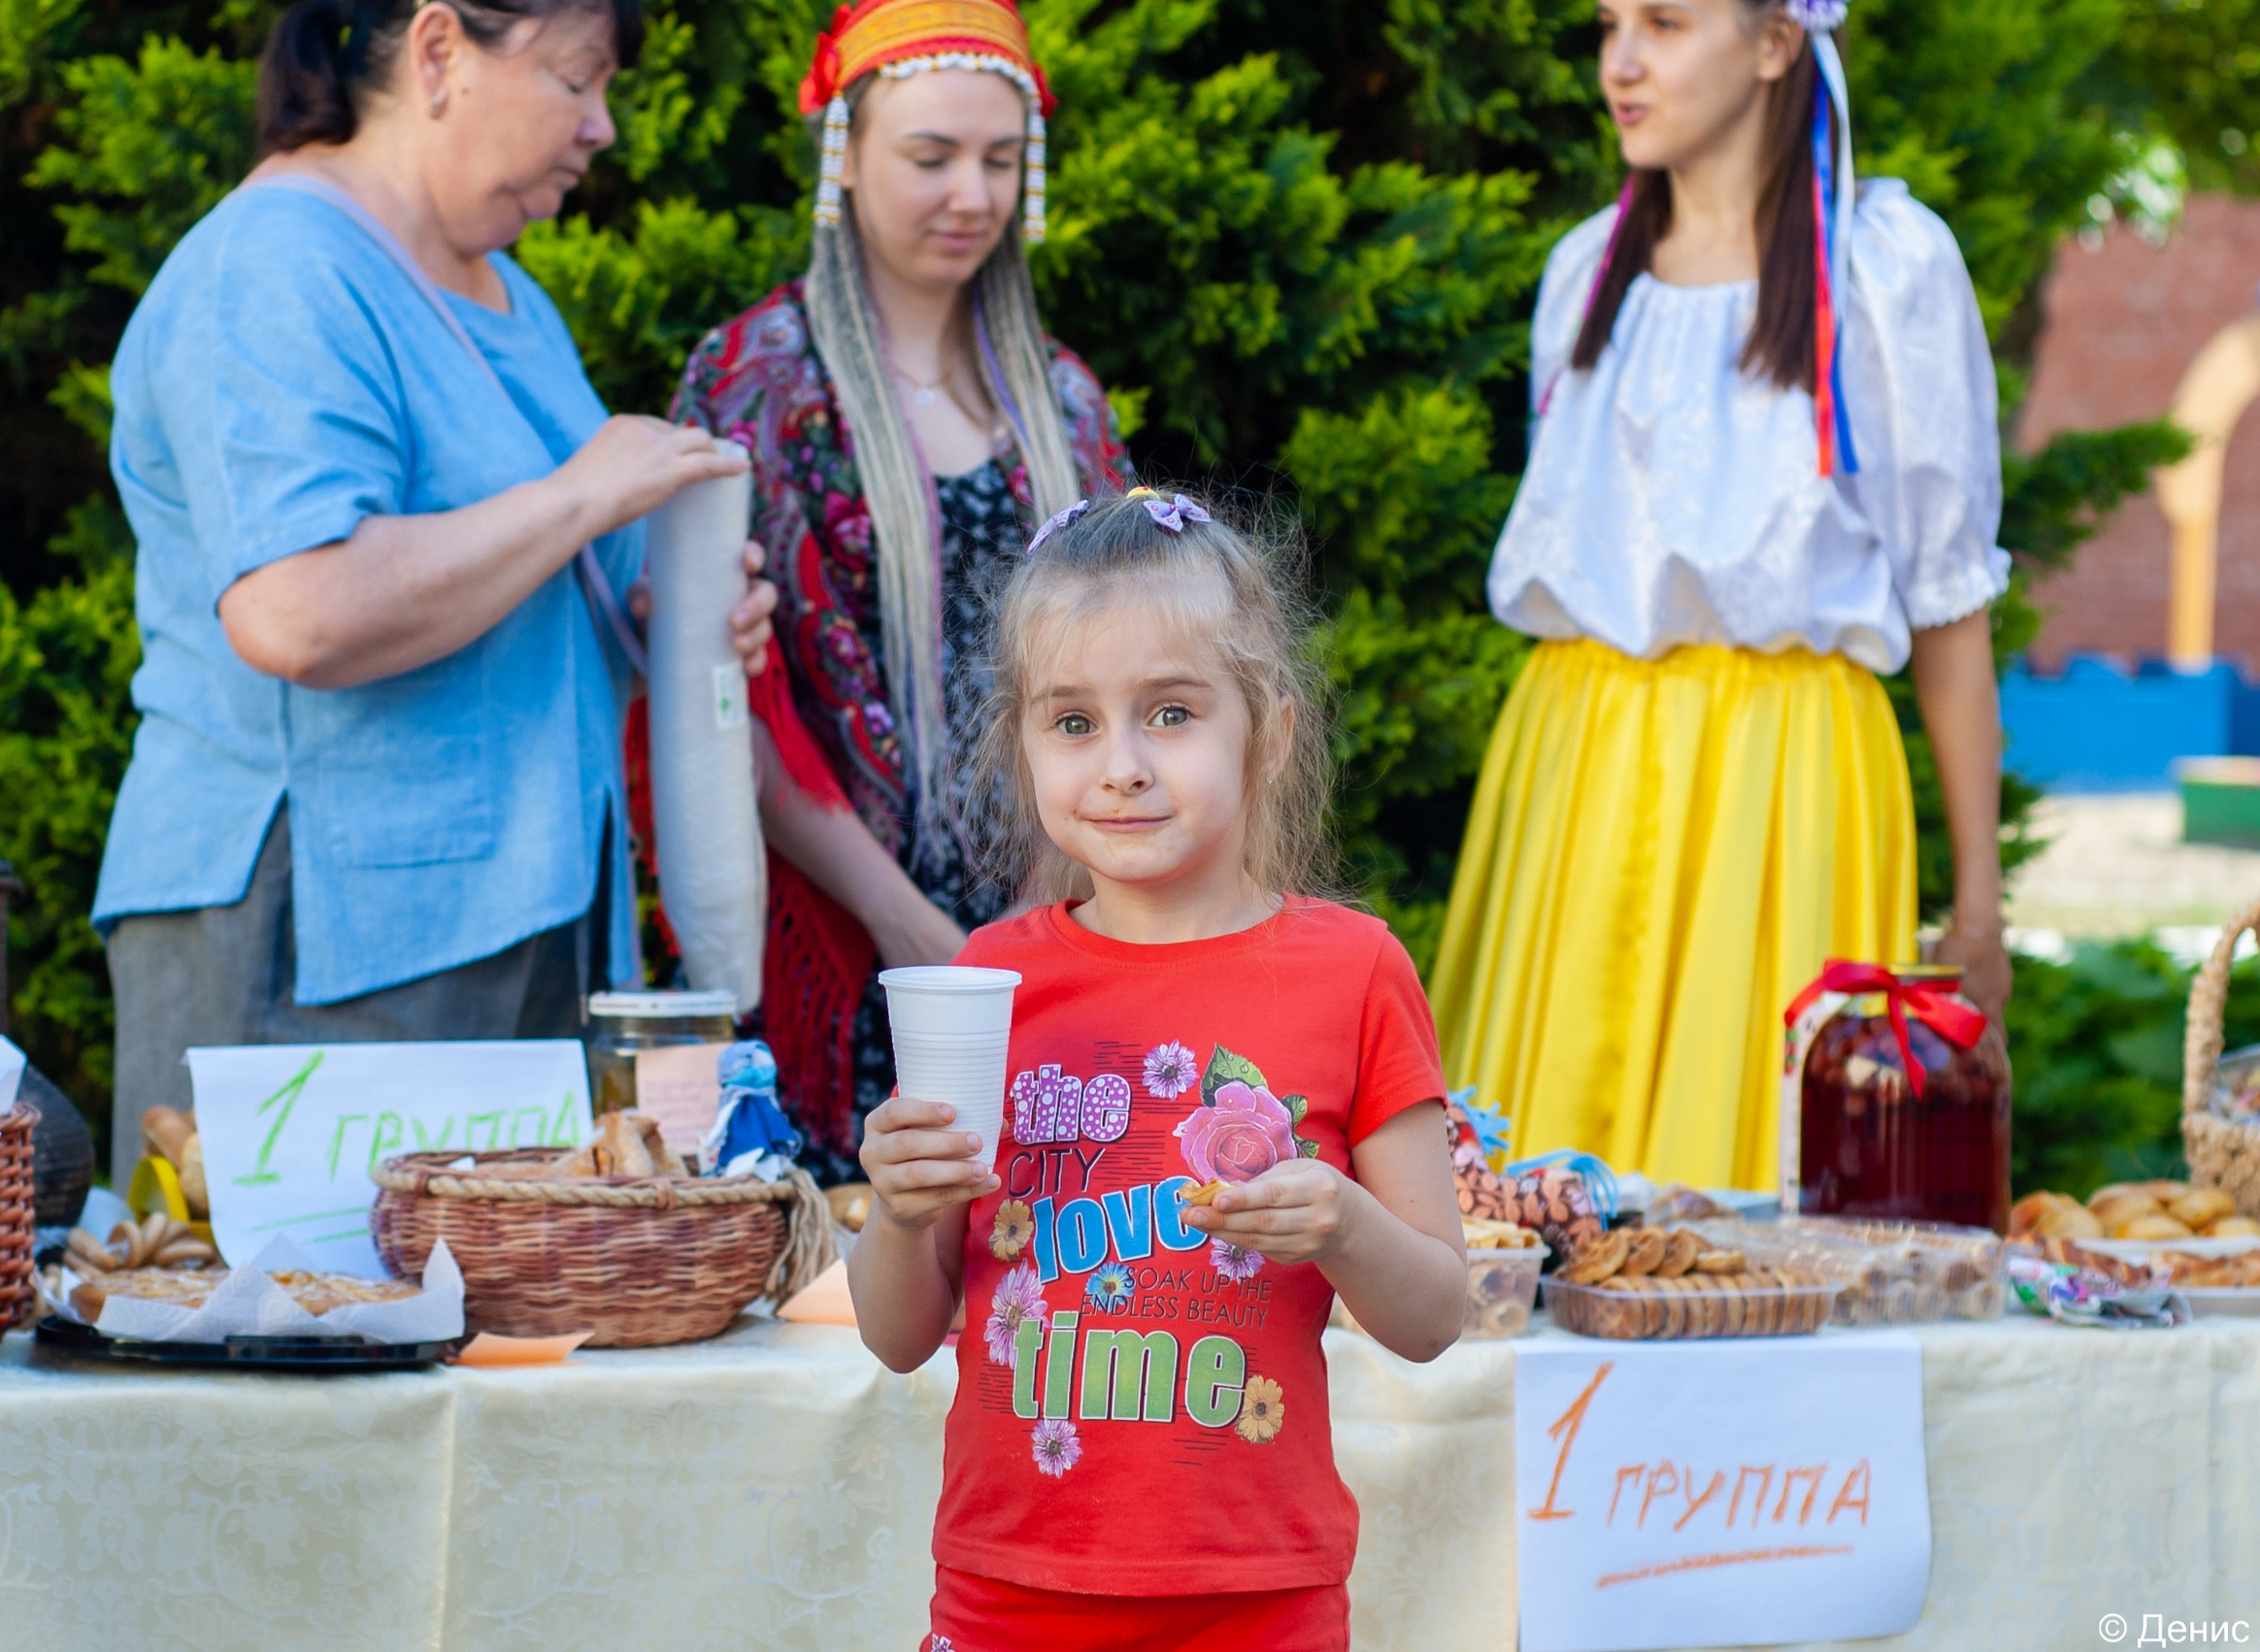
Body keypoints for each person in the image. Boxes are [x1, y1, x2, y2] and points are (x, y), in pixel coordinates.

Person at [92, 0, 776, 1185]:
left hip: (523, 930)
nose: (602, 127)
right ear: (440, 50)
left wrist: (662, 608)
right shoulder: (273, 265)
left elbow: (527, 580)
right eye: (577, 79)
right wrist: (580, 498)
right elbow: (298, 608)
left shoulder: (510, 292)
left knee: (498, 1346)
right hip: (323, 945)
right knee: (301, 1333)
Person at [848, 491, 1467, 1652]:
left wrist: (1342, 1223)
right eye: (1071, 722)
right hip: (1006, 1597)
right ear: (1021, 742)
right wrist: (894, 1211)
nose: (1121, 766)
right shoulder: (986, 983)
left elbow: (1436, 1314)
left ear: (1267, 733)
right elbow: (897, 1331)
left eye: (1170, 713)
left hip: (1257, 1604)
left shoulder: (1356, 971)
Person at [1429, 0, 2013, 1195]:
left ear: (1774, 42)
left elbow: (1950, 613)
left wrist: (1979, 913)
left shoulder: (1880, 272)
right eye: (1607, 25)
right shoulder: (1582, 274)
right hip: (1576, 771)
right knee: (1534, 1184)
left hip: (1781, 780)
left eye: (1665, 22)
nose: (1621, 62)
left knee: (1750, 1188)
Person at [658, 0, 1130, 1184]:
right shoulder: (755, 380)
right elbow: (725, 702)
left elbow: (1135, 661)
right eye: (930, 157)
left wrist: (1049, 909)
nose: (968, 193)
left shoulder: (1064, 402)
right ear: (846, 154)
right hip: (842, 931)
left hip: (1057, 934)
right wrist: (910, 928)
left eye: (998, 159)